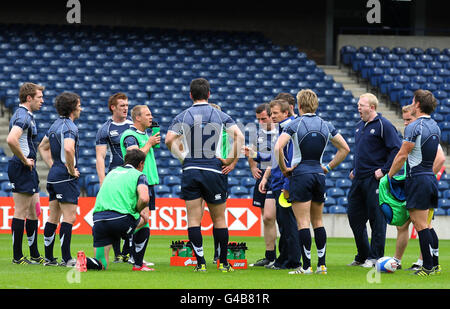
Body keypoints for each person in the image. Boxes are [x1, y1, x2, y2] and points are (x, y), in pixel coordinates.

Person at [165, 78, 244, 272]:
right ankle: (224, 263)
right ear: (209, 94)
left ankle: (200, 263)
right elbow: (240, 137)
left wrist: (184, 158)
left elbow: (168, 140)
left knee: (193, 219)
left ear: (190, 95)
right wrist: (228, 160)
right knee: (219, 219)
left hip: (191, 169)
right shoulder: (220, 115)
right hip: (213, 168)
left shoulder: (183, 116)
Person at [274, 89, 350, 274]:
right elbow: (345, 149)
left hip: (300, 175)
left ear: (299, 106)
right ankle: (321, 265)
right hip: (319, 175)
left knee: (302, 223)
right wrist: (328, 167)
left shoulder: (294, 124)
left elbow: (278, 147)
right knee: (318, 221)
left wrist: (285, 170)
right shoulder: (326, 125)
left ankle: (306, 266)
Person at [387, 89, 441, 276]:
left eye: (413, 100)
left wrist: (389, 176)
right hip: (430, 178)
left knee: (420, 226)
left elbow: (402, 155)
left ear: (417, 104)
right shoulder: (435, 126)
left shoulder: (414, 126)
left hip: (417, 179)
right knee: (425, 224)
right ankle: (433, 264)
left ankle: (426, 267)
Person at [347, 93, 401, 268]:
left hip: (374, 180)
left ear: (372, 107)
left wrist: (384, 171)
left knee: (377, 219)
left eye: (361, 105)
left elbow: (396, 150)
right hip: (358, 179)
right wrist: (353, 169)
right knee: (354, 216)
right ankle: (363, 255)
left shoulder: (384, 126)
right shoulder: (358, 126)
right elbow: (360, 152)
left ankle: (375, 256)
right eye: (358, 105)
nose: (358, 108)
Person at [75, 149, 151, 271]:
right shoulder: (139, 175)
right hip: (121, 221)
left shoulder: (111, 173)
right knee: (144, 222)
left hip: (99, 221)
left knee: (101, 264)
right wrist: (137, 210)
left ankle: (84, 261)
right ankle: (138, 265)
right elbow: (144, 198)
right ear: (141, 163)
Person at [38, 92, 82, 266]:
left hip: (54, 176)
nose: (81, 108)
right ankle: (66, 258)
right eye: (79, 105)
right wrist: (70, 170)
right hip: (65, 178)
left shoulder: (54, 125)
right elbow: (69, 149)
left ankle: (49, 258)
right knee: (69, 218)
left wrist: (54, 165)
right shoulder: (70, 127)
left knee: (53, 217)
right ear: (72, 107)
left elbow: (42, 146)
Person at [7, 82, 45, 265]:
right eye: (39, 97)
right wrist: (24, 159)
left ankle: (34, 254)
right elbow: (11, 139)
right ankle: (17, 257)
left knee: (34, 212)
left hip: (29, 168)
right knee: (21, 211)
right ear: (29, 98)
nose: (42, 101)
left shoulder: (27, 115)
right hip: (22, 167)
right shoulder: (22, 116)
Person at [258, 99, 299, 270]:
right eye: (271, 113)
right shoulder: (282, 129)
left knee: (288, 224)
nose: (272, 116)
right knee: (284, 224)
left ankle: (292, 261)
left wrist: (286, 183)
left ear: (286, 113)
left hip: (283, 183)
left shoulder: (289, 130)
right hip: (277, 181)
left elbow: (289, 160)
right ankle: (284, 259)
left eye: (275, 114)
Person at [119, 104, 160, 270]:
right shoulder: (130, 135)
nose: (151, 117)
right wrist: (149, 143)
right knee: (143, 220)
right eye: (147, 114)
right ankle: (132, 254)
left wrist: (150, 140)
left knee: (145, 220)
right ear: (137, 118)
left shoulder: (145, 135)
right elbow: (134, 157)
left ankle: (136, 258)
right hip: (137, 182)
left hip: (147, 181)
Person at [95, 92, 133, 262]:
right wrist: (103, 180)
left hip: (132, 174)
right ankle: (118, 253)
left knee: (132, 210)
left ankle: (128, 251)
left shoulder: (133, 126)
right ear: (113, 108)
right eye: (122, 106)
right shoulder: (105, 129)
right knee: (115, 210)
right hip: (115, 173)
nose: (126, 108)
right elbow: (100, 157)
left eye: (127, 105)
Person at [244, 103, 278, 267]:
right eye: (258, 119)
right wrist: (252, 166)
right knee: (267, 219)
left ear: (272, 115)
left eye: (264, 118)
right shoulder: (257, 134)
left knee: (279, 218)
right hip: (262, 178)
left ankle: (285, 254)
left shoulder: (281, 132)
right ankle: (270, 255)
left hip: (277, 177)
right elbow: (251, 151)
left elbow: (275, 158)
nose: (261, 122)